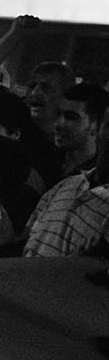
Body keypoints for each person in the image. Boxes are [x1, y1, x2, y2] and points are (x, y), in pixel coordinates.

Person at [23, 102, 109, 258]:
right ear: (98, 129)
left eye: (71, 117)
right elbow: (26, 242)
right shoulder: (67, 185)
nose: (60, 124)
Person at [51, 82, 107, 176]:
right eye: (58, 114)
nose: (58, 124)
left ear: (96, 125)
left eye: (71, 117)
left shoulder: (100, 177)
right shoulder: (43, 159)